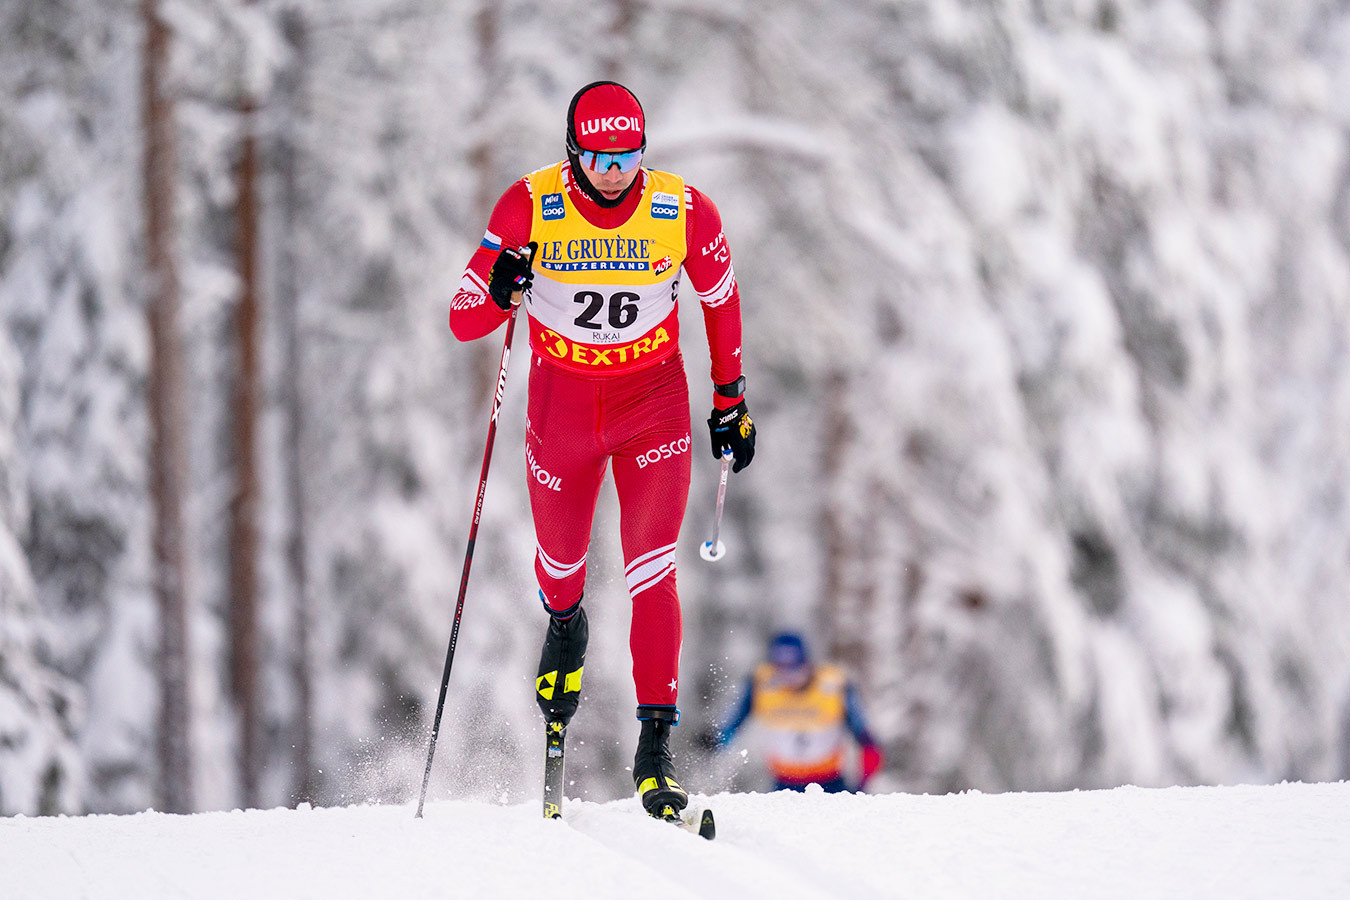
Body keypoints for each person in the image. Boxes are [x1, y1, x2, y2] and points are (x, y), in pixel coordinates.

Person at [448, 81, 756, 820]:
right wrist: (499, 286)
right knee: (561, 568)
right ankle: (564, 625)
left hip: (651, 403)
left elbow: (720, 299)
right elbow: (463, 319)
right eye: (598, 156)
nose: (615, 171)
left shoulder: (683, 210)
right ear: (572, 151)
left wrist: (730, 398)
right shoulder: (529, 202)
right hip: (564, 407)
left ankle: (654, 749)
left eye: (627, 155)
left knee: (652, 570)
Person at [709, 631, 883, 793]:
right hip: (783, 784)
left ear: (807, 663)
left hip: (830, 783)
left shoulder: (834, 686)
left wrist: (862, 785)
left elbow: (866, 740)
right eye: (781, 669)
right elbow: (734, 721)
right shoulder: (761, 684)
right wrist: (716, 740)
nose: (788, 677)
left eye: (794, 668)